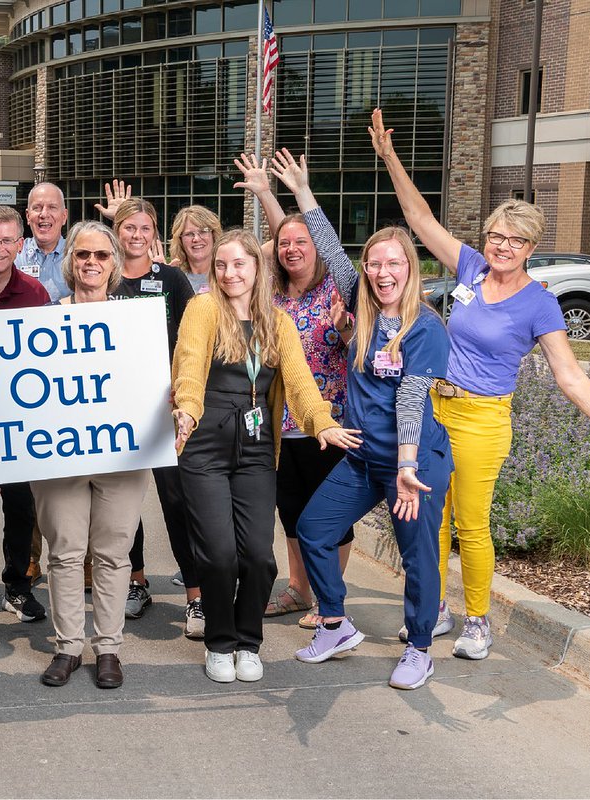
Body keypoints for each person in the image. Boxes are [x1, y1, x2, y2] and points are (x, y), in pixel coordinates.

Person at [369, 108, 590, 659]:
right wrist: (390, 158)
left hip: (484, 419)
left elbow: (569, 374)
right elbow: (419, 219)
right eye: (495, 235)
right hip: (436, 409)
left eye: (514, 239)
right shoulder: (471, 271)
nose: (501, 245)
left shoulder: (541, 303)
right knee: (431, 520)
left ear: (531, 247)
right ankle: (433, 608)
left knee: (473, 524)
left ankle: (478, 621)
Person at [172, 228, 360, 684]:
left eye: (239, 264)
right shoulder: (203, 309)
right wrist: (186, 411)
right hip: (204, 442)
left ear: (258, 269)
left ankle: (247, 640)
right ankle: (220, 642)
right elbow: (190, 366)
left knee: (259, 557)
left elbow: (299, 385)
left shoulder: (279, 322)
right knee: (217, 555)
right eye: (222, 265)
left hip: (257, 447)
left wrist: (323, 422)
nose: (229, 273)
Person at [293, 224, 451, 691]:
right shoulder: (362, 307)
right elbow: (329, 248)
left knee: (418, 557)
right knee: (314, 530)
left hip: (415, 463)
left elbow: (410, 400)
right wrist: (302, 191)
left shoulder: (425, 328)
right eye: (375, 264)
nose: (384, 273)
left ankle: (420, 649)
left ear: (411, 269)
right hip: (364, 456)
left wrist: (405, 468)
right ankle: (335, 624)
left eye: (394, 263)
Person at [232, 150, 356, 629]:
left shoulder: (340, 285)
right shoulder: (273, 293)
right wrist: (266, 197)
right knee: (292, 512)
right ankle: (299, 589)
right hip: (281, 423)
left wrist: (293, 194)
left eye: (302, 243)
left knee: (331, 515)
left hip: (331, 421)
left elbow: (312, 239)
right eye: (284, 245)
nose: (291, 250)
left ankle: (330, 597)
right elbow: (272, 247)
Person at [32, 221, 152, 688]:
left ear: (114, 264)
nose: (91, 263)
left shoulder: (134, 320)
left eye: (102, 256)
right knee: (63, 553)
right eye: (83, 255)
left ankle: (108, 649)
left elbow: (152, 380)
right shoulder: (43, 318)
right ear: (70, 261)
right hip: (58, 454)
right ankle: (67, 648)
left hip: (121, 455)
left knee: (112, 553)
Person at [108, 197, 200, 633]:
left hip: (164, 408)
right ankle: (137, 580)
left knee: (178, 502)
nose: (137, 235)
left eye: (145, 228)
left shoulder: (172, 278)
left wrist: (183, 398)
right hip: (116, 408)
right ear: (118, 230)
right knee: (125, 504)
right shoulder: (103, 280)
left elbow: (191, 343)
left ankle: (195, 595)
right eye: (129, 228)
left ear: (155, 234)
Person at [0, 204, 53, 624]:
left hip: (13, 416)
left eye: (7, 241)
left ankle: (16, 586)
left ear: (19, 245)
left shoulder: (34, 293)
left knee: (21, 505)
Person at [15, 181, 71, 302]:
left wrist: (118, 221)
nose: (44, 214)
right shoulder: (13, 253)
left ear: (64, 216)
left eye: (52, 207)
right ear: (28, 216)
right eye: (37, 208)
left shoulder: (78, 255)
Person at [167, 204, 220, 294]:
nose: (196, 239)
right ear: (180, 240)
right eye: (189, 234)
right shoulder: (174, 277)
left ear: (213, 235)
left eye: (203, 231)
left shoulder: (226, 275)